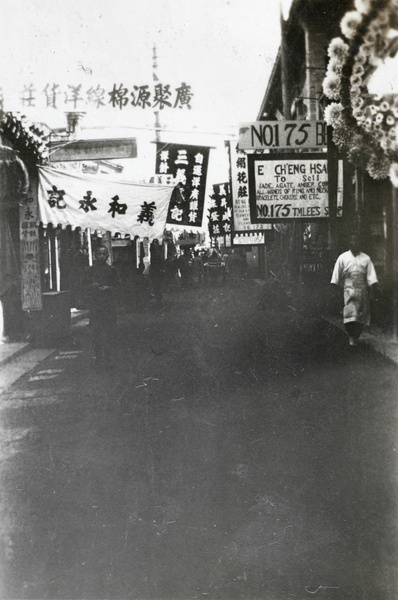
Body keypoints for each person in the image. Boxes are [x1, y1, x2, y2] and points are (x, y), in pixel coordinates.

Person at [331, 233, 378, 346]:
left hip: (362, 292)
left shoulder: (366, 258)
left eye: (357, 241)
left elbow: (371, 278)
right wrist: (335, 293)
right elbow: (335, 277)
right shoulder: (343, 258)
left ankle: (355, 339)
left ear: (360, 243)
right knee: (350, 317)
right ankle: (352, 339)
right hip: (348, 291)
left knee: (360, 317)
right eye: (352, 241)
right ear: (349, 242)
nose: (354, 243)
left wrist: (372, 292)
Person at [84, 246, 120, 365]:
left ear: (107, 256)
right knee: (96, 332)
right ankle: (98, 356)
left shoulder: (111, 270)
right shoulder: (89, 271)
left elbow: (119, 287)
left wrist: (109, 288)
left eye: (104, 254)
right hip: (95, 306)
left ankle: (108, 357)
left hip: (109, 306)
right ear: (95, 255)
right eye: (99, 254)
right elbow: (82, 287)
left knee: (109, 332)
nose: (101, 256)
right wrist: (91, 286)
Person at [149, 239, 165, 304]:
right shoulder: (158, 253)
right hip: (156, 271)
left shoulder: (156, 254)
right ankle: (159, 297)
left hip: (155, 271)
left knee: (156, 285)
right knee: (157, 285)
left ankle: (159, 297)